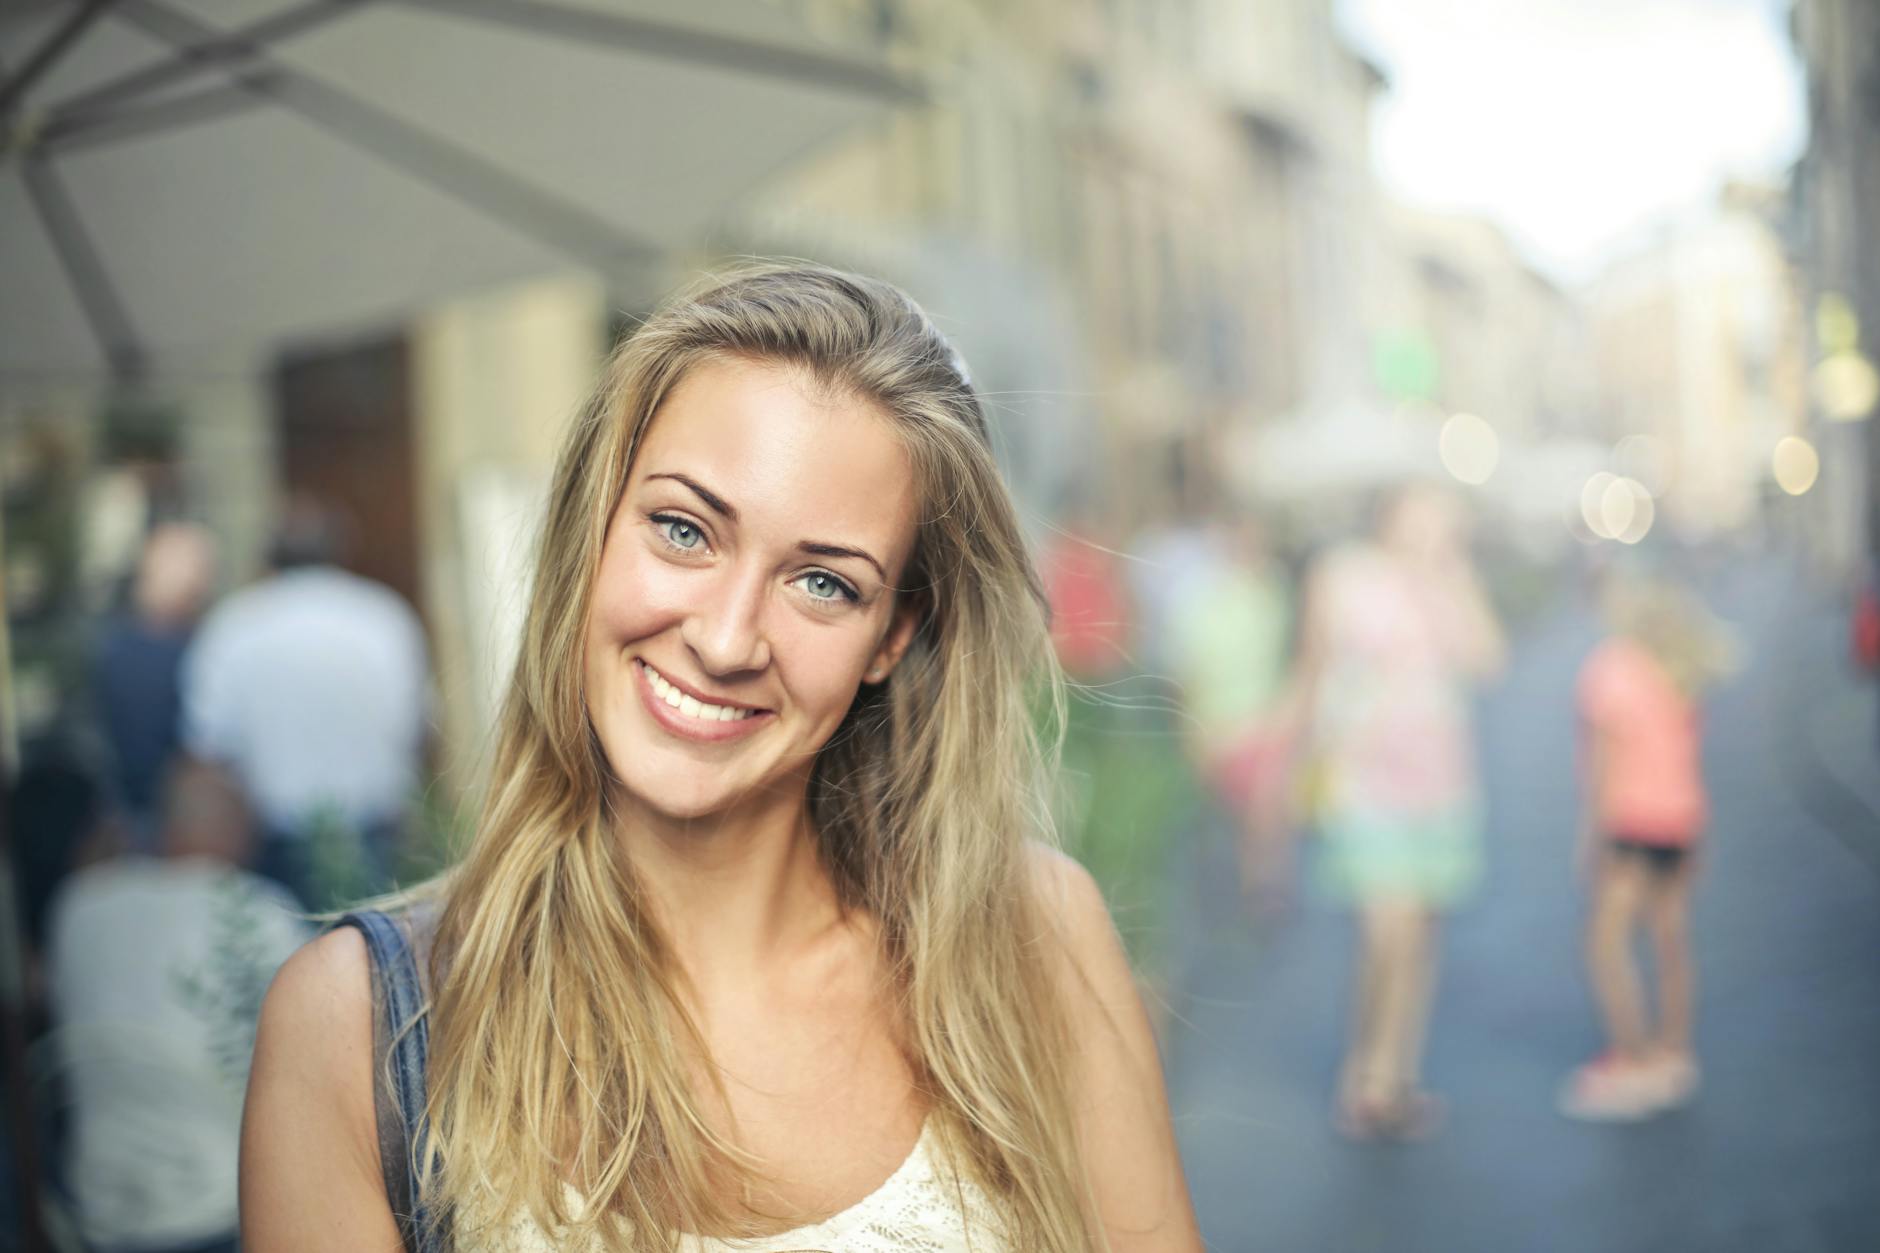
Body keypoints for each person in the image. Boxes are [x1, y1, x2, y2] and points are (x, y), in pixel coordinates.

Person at [239, 266, 1202, 1252]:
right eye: (683, 529)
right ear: (590, 528)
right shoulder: (356, 1027)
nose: (727, 638)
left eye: (822, 582)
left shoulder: (1032, 942)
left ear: (890, 637)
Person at [1287, 485, 1504, 1139]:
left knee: (1421, 933)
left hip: (1440, 784)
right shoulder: (1342, 576)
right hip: (1364, 780)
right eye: (1423, 519)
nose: (1431, 534)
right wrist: (1292, 763)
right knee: (1390, 927)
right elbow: (1311, 669)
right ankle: (1366, 1072)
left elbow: (1489, 661)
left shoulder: (1451, 584)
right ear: (1389, 518)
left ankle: (1393, 1073)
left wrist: (1454, 580)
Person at [46, 759, 310, 1253]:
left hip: (98, 1209)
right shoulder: (256, 911)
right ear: (239, 828)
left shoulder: (79, 904)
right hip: (227, 1205)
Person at [180, 499, 430, 908]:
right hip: (373, 831)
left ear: (268, 557)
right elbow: (418, 729)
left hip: (272, 838)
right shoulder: (384, 616)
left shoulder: (236, 623)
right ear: (341, 550)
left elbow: (208, 747)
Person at [1559, 575, 1734, 1121]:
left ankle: (1631, 1058)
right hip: (1680, 821)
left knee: (1606, 944)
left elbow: (1604, 767)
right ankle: (1673, 1054)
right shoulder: (1679, 669)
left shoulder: (1610, 669)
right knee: (1670, 938)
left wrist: (1592, 838)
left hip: (1630, 822)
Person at [1168, 513, 1294, 906]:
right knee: (1231, 821)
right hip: (1217, 728)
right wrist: (1192, 733)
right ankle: (1242, 894)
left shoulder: (1271, 592)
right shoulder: (1201, 601)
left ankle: (1260, 895)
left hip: (1262, 725)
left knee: (1263, 817)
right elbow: (1186, 674)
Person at [92, 522, 217, 848]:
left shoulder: (201, 643)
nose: (201, 581)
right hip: (145, 813)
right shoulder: (120, 650)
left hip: (188, 816)